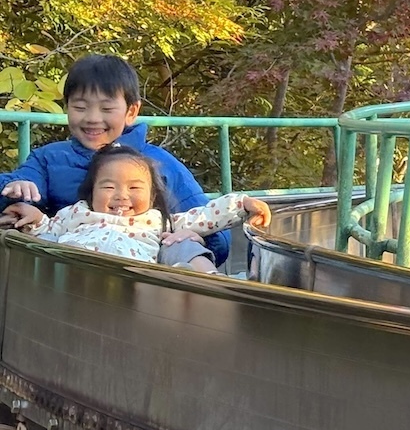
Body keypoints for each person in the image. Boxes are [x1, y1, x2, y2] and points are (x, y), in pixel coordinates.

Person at [0, 54, 232, 268]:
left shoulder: (158, 163)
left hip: (141, 267)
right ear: (67, 107)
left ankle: (210, 289)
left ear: (131, 111)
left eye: (107, 108)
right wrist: (14, 191)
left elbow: (206, 218)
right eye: (80, 107)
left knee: (183, 247)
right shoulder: (49, 159)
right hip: (70, 265)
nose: (92, 118)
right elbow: (15, 195)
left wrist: (202, 238)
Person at [3, 145, 269, 272]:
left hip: (136, 283)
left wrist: (242, 204)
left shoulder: (157, 220)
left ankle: (206, 282)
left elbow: (205, 216)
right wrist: (34, 218)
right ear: (92, 192)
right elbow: (49, 227)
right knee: (46, 243)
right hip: (77, 274)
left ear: (152, 196)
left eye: (134, 188)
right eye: (109, 187)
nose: (121, 196)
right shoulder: (78, 212)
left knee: (183, 244)